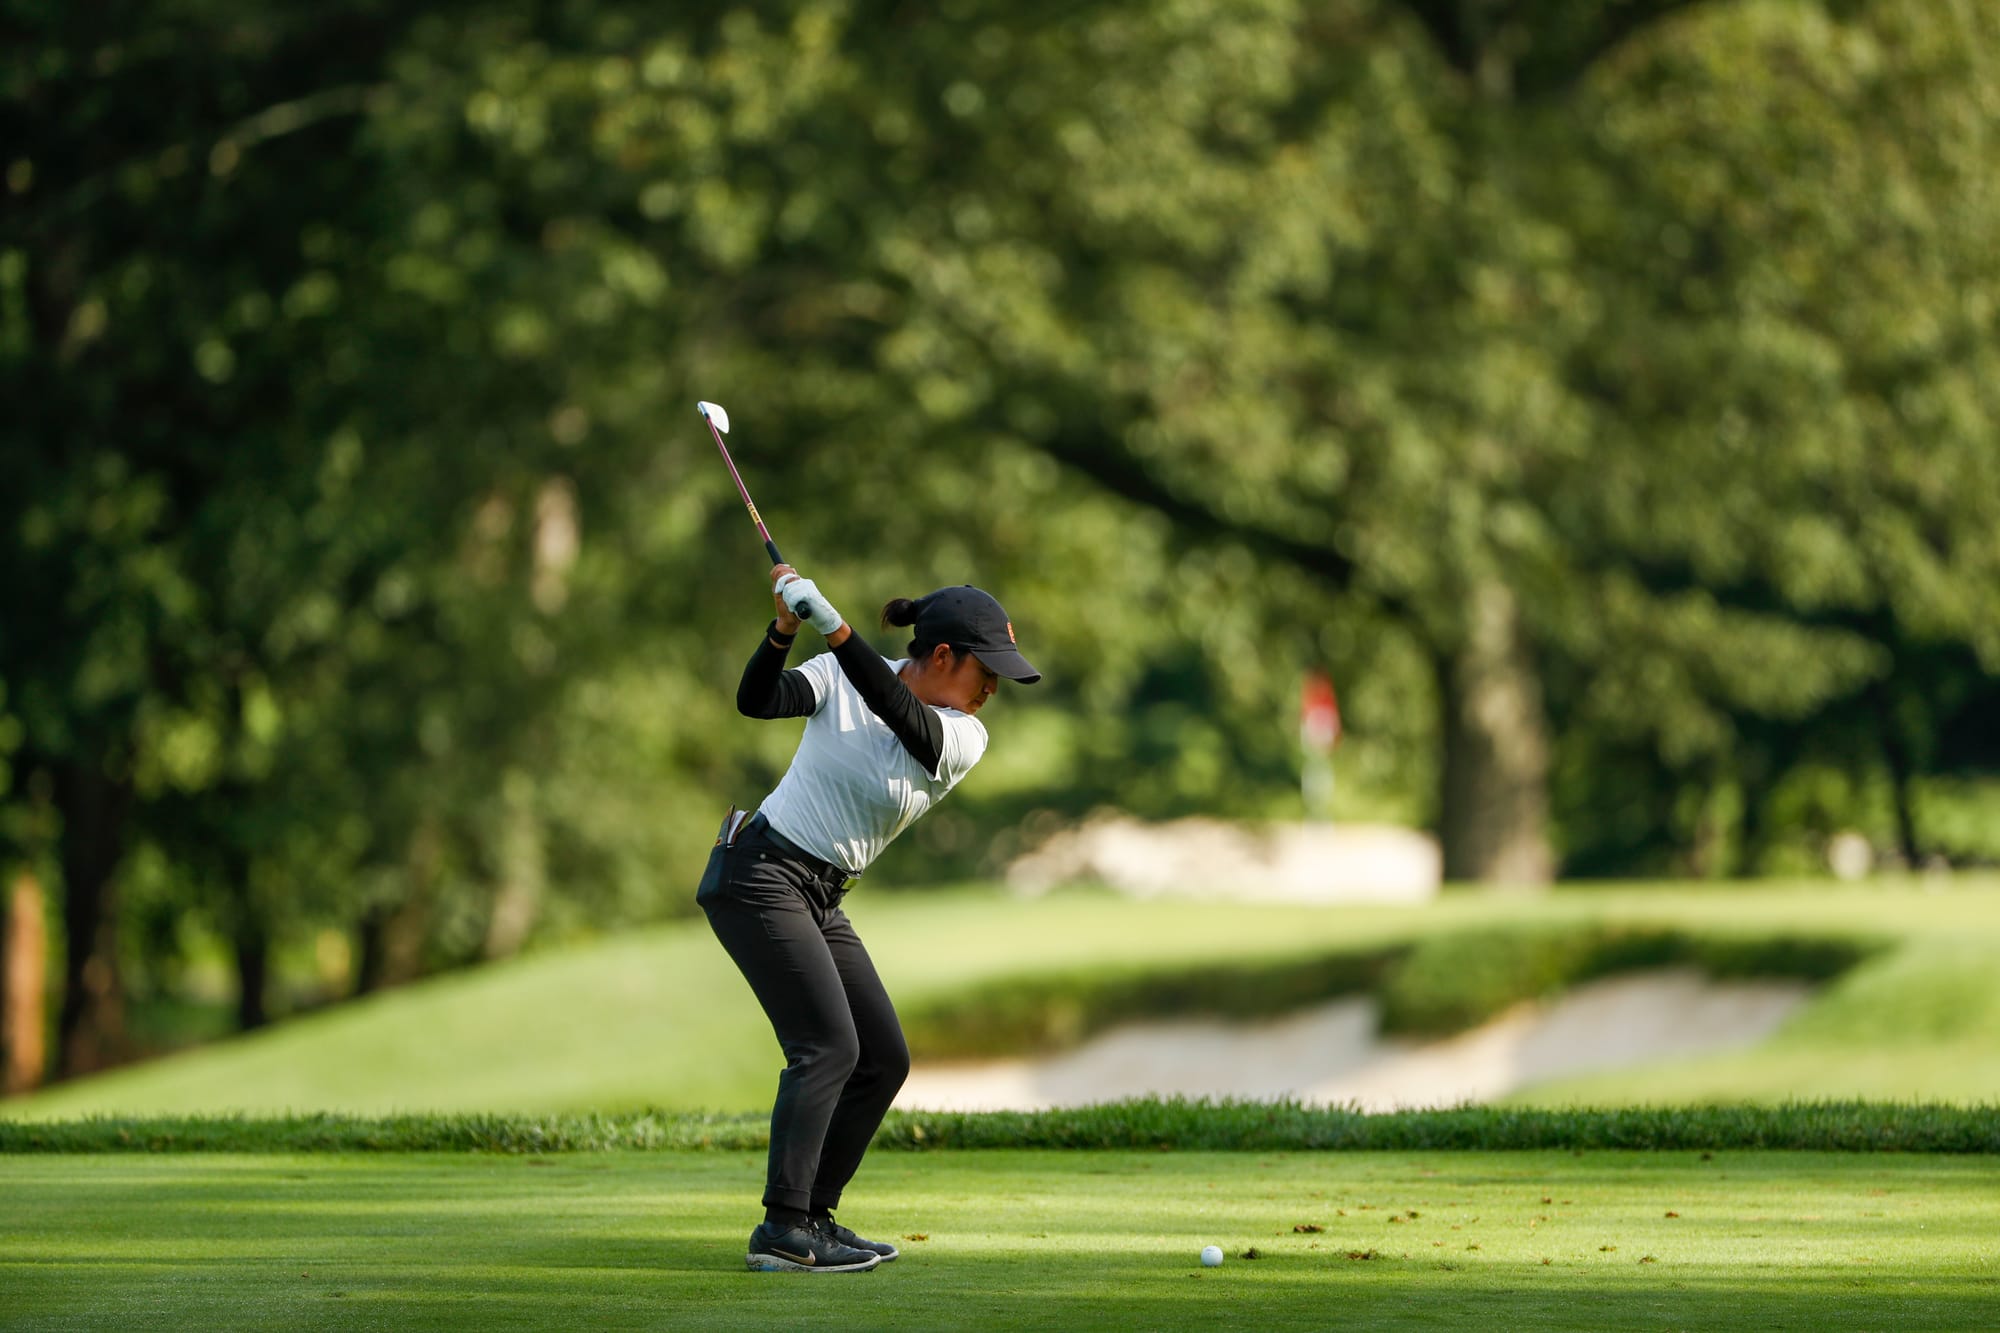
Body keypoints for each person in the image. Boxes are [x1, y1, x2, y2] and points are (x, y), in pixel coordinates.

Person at [699, 563, 1041, 1274]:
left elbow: (901, 714)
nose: (993, 689)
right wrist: (784, 629)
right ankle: (784, 1226)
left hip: (820, 892)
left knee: (884, 1056)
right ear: (943, 655)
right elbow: (757, 700)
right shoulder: (835, 674)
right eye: (988, 670)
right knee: (827, 1046)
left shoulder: (961, 735)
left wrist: (836, 625)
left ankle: (815, 1213)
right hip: (760, 873)